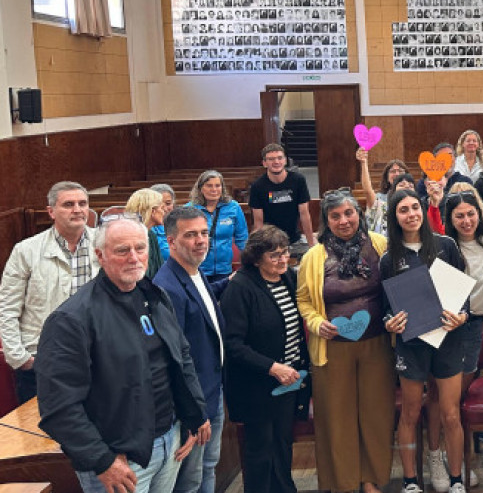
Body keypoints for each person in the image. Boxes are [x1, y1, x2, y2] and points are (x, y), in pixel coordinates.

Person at [35, 218, 211, 493]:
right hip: (120, 459)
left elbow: (181, 358)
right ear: (100, 255)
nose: (134, 257)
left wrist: (193, 415)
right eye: (122, 250)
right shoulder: (71, 319)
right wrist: (102, 460)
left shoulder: (155, 295)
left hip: (169, 441)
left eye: (140, 248)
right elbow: (58, 407)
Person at [296, 190, 394, 493]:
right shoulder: (314, 256)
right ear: (326, 221)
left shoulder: (380, 245)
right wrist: (316, 322)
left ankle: (371, 480)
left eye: (349, 213)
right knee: (337, 418)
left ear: (359, 214)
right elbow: (303, 300)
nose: (344, 220)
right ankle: (344, 483)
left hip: (377, 345)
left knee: (376, 414)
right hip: (332, 350)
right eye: (335, 216)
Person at [381, 190, 469, 493]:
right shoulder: (389, 258)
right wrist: (389, 322)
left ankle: (456, 480)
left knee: (450, 413)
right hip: (412, 345)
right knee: (410, 412)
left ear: (423, 209)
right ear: (395, 217)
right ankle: (410, 481)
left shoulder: (446, 246)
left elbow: (463, 296)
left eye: (415, 208)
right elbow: (385, 308)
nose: (411, 214)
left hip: (448, 340)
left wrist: (462, 316)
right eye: (403, 210)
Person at [222, 225, 311, 493]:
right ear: (256, 259)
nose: (283, 259)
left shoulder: (288, 278)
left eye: (285, 252)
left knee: (282, 445)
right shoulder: (240, 287)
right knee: (260, 451)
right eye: (275, 255)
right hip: (257, 385)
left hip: (288, 381)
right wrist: (272, 368)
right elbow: (232, 344)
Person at [0, 181, 99, 404]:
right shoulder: (26, 250)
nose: (77, 210)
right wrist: (21, 358)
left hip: (95, 355)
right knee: (41, 424)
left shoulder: (104, 244)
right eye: (68, 204)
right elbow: (7, 307)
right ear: (51, 211)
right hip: (42, 359)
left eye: (82, 203)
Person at [153, 207, 226, 493]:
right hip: (194, 405)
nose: (201, 240)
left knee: (208, 467)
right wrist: (193, 414)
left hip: (212, 390)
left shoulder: (195, 271)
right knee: (190, 481)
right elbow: (174, 359)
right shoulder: (167, 287)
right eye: (191, 235)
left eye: (204, 233)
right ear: (171, 241)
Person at [441, 186, 483, 489]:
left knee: (460, 397)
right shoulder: (446, 247)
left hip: (476, 325)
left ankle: (460, 457)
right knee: (447, 400)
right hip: (449, 327)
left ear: (479, 213)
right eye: (459, 216)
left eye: (470, 214)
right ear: (450, 219)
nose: (466, 221)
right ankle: (447, 457)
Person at [249, 143, 316, 249]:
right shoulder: (257, 186)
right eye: (271, 159)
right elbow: (258, 222)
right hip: (270, 241)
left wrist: (311, 244)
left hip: (294, 238)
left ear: (285, 160)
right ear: (264, 163)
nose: (276, 162)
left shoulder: (298, 180)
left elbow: (304, 214)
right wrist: (258, 248)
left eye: (280, 158)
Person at [186, 170, 248, 281]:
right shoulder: (189, 209)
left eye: (217, 186)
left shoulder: (233, 207)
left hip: (224, 270)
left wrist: (249, 262)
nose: (214, 189)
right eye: (209, 186)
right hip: (196, 270)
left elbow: (242, 238)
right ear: (201, 188)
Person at [125, 188, 167, 279]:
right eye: (162, 208)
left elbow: (160, 269)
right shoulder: (130, 237)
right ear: (152, 211)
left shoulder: (151, 235)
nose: (164, 212)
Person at [150, 184, 177, 261]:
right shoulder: (148, 228)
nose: (164, 208)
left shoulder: (179, 223)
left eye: (168, 204)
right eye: (159, 204)